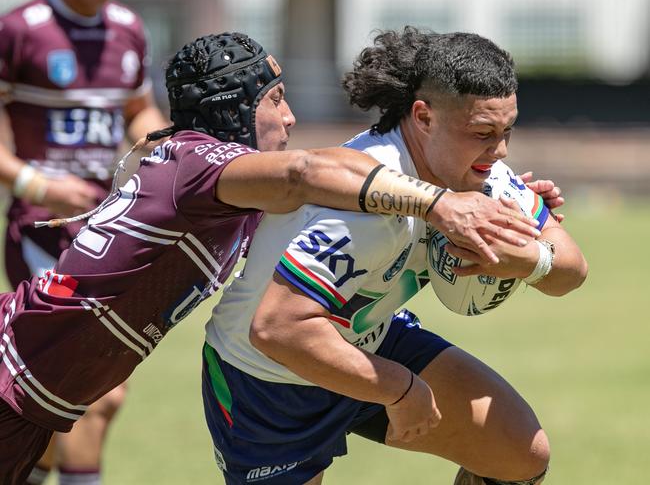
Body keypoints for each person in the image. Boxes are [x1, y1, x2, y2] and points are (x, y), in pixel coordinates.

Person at [0, 31, 550, 484]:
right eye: (275, 98)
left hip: (37, 393)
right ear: (236, 106)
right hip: (16, 381)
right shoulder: (202, 166)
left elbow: (324, 179)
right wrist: (441, 206)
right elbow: (306, 172)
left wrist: (508, 200)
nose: (290, 118)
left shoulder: (215, 176)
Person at [202, 28, 589, 485]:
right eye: (483, 133)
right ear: (423, 118)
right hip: (269, 378)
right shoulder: (364, 210)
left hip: (369, 337)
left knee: (520, 454)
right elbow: (276, 329)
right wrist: (401, 389)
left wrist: (525, 259)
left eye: (507, 131)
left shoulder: (476, 171)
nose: (499, 151)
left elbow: (570, 272)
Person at [0, 0, 169, 483]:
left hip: (106, 228)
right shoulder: (19, 29)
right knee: (92, 391)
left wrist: (170, 149)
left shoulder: (128, 27)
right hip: (43, 233)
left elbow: (139, 111)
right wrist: (39, 187)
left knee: (95, 392)